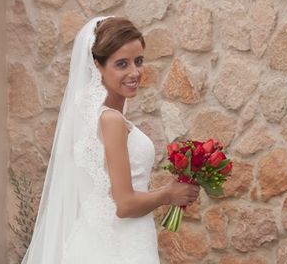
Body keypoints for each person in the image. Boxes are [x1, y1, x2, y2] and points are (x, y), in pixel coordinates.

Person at [22, 16, 199, 263]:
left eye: (138, 61)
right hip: (119, 248)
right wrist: (169, 193)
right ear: (97, 66)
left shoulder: (91, 115)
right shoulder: (110, 120)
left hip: (99, 241)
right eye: (121, 64)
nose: (135, 72)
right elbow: (124, 204)